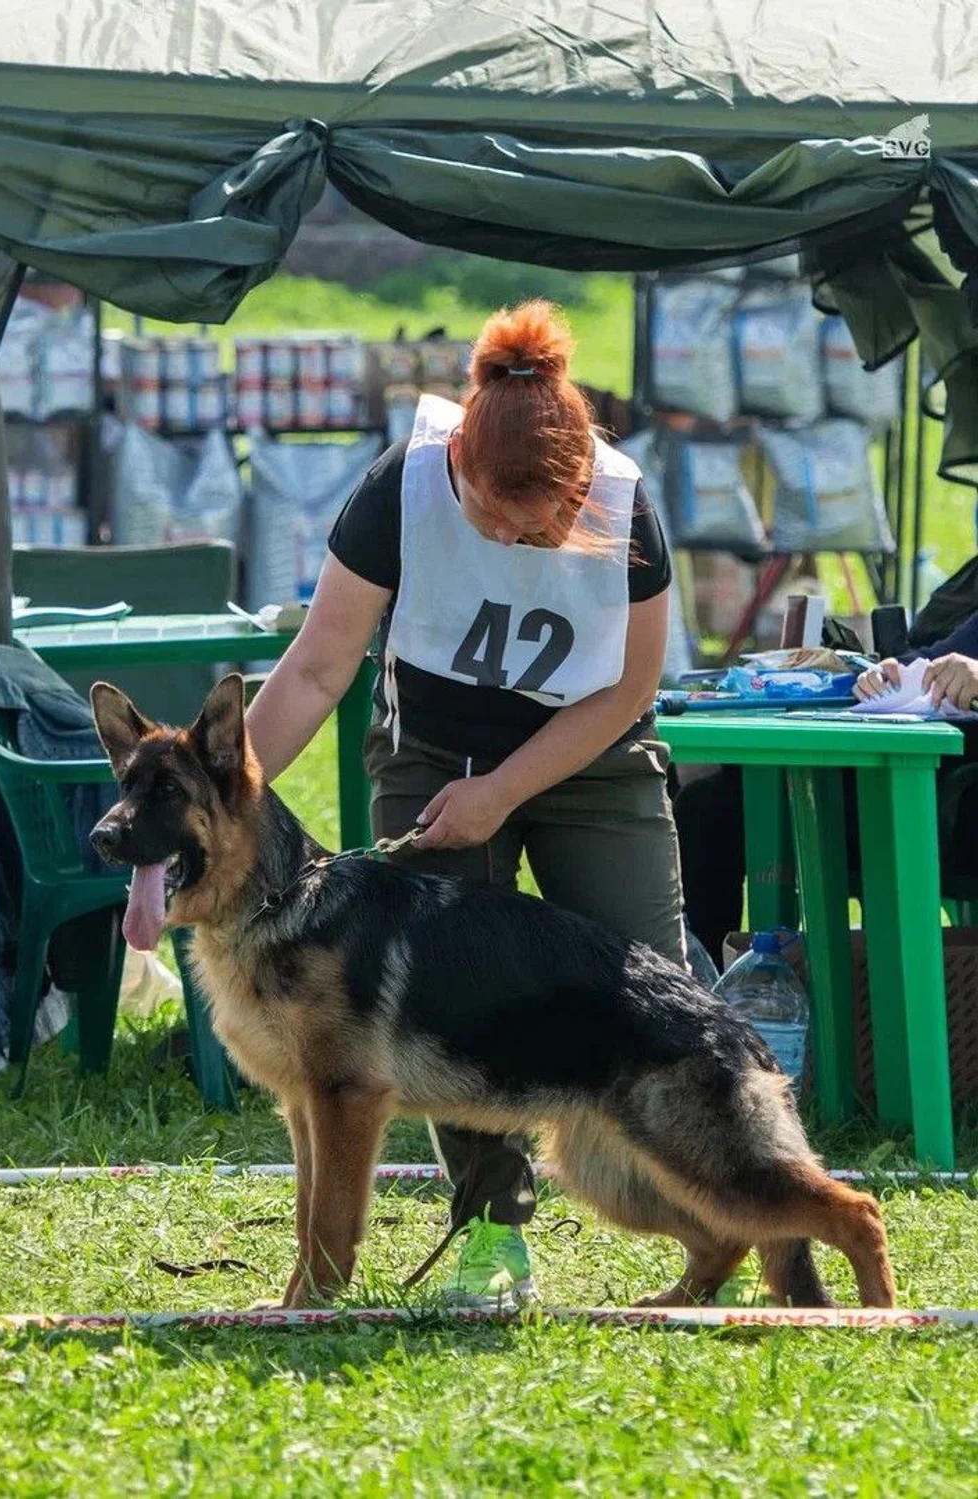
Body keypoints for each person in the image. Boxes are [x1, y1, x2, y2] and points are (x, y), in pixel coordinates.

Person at [245, 300, 686, 1309]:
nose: (503, 533)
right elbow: (317, 668)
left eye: (531, 527)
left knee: (653, 971)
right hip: (433, 749)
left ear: (577, 488)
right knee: (440, 989)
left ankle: (721, 1198)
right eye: (489, 512)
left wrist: (503, 791)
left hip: (591, 752)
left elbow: (628, 690)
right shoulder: (399, 488)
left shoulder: (625, 502)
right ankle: (493, 1229)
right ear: (461, 468)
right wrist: (219, 797)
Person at [674, 609, 978, 970]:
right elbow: (931, 660)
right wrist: (886, 673)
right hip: (918, 795)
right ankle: (699, 1006)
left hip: (949, 806)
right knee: (709, 806)